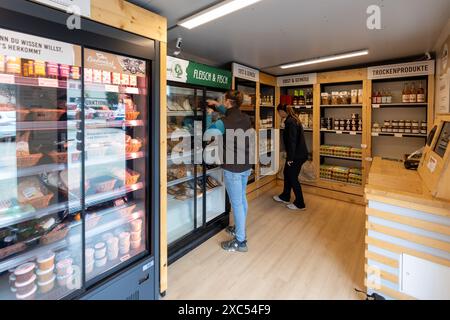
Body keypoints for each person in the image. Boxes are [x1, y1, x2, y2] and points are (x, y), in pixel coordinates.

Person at [206, 91, 254, 253]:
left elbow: (208, 133)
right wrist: (216, 104)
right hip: (246, 165)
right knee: (241, 198)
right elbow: (231, 114)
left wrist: (208, 115)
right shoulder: (246, 118)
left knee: (237, 203)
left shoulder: (223, 122)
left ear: (228, 102)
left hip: (233, 169)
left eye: (223, 101)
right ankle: (239, 229)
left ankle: (240, 241)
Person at [273, 104, 308, 210]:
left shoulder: (290, 122)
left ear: (282, 111)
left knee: (292, 177)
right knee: (287, 173)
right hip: (298, 154)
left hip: (297, 155)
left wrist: (290, 158)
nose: (278, 114)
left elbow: (292, 141)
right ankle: (285, 196)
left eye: (278, 112)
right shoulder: (292, 119)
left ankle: (300, 203)